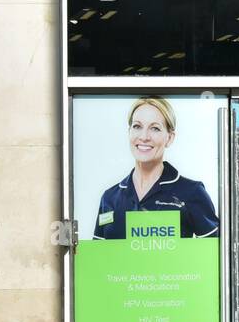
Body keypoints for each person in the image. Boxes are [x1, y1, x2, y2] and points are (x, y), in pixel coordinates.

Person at [93, 96, 218, 239]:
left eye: (155, 128)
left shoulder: (191, 192)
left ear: (169, 138)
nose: (144, 136)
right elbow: (98, 257)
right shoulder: (109, 198)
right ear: (129, 132)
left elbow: (214, 254)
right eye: (137, 126)